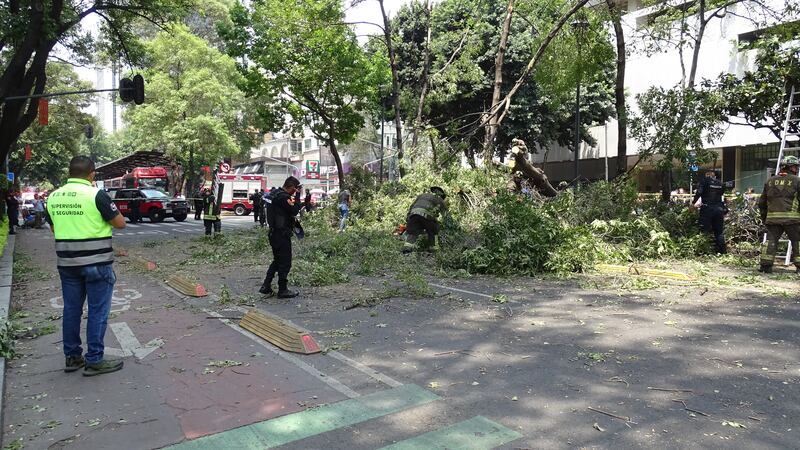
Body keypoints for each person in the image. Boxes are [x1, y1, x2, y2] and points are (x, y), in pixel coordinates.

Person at [45, 156, 126, 376]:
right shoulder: (96, 195)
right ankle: (94, 360)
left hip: (67, 264)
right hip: (97, 264)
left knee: (71, 310)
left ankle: (72, 357)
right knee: (98, 312)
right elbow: (120, 224)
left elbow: (54, 229)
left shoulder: (53, 197)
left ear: (69, 172)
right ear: (92, 174)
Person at [259, 177, 303, 298]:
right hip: (282, 234)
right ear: (291, 187)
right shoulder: (284, 197)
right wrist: (298, 196)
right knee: (285, 263)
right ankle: (283, 289)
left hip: (273, 233)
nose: (295, 191)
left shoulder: (273, 194)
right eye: (295, 189)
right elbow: (294, 210)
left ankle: (266, 285)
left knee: (277, 260)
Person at [758, 155, 800, 274]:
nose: (796, 169)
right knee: (798, 242)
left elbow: (762, 203)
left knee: (770, 241)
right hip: (793, 220)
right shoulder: (797, 181)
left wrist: (765, 218)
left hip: (772, 220)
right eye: (795, 167)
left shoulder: (770, 181)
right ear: (791, 167)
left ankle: (765, 267)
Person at [403, 187, 448, 254]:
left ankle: (407, 249)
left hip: (413, 214)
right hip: (427, 216)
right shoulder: (439, 199)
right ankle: (433, 250)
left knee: (412, 233)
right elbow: (446, 215)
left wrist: (408, 218)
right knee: (434, 230)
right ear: (441, 195)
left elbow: (411, 206)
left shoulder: (422, 195)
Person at [691, 170, 727, 254]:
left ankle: (703, 251)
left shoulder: (704, 181)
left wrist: (693, 203)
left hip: (707, 209)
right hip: (719, 209)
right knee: (719, 232)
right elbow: (721, 193)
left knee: (704, 230)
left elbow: (699, 192)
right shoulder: (720, 183)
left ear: (708, 175)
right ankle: (722, 252)